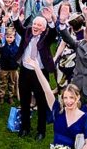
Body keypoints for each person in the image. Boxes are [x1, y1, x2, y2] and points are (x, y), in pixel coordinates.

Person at [14, 11, 58, 140]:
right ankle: (25, 127)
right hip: (25, 71)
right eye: (34, 24)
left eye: (39, 25)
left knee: (41, 102)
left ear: (44, 28)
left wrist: (50, 20)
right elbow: (18, 27)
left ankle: (41, 131)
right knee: (24, 100)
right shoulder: (27, 32)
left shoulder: (47, 36)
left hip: (40, 73)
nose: (36, 27)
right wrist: (16, 16)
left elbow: (54, 33)